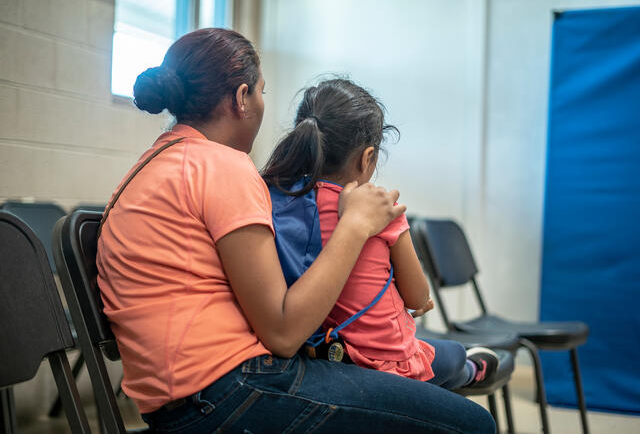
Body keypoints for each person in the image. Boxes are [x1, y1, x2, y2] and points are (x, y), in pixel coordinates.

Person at [96, 28, 496, 433]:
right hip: (226, 392)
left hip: (181, 396)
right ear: (241, 98)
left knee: (431, 373)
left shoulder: (150, 165)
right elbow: (284, 333)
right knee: (474, 424)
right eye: (261, 92)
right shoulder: (222, 166)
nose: (261, 103)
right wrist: (354, 225)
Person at [262, 78, 499, 391]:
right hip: (381, 361)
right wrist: (418, 297)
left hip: (321, 353)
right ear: (367, 157)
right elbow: (417, 297)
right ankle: (469, 369)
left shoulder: (280, 201)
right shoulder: (381, 210)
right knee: (451, 355)